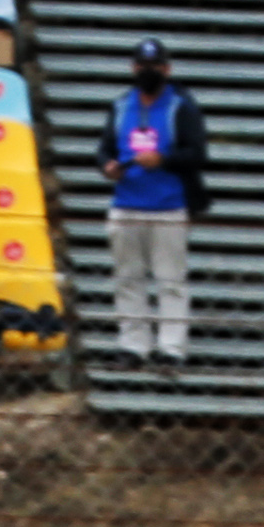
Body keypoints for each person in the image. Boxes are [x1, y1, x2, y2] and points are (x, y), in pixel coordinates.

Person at [100, 35, 200, 358]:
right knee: (128, 279)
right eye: (142, 65)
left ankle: (171, 346)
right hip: (126, 204)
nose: (148, 71)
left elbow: (198, 153)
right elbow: (103, 149)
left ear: (167, 69)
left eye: (155, 66)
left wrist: (163, 160)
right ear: (133, 68)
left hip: (168, 206)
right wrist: (108, 166)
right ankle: (133, 345)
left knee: (171, 280)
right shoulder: (119, 105)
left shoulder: (180, 106)